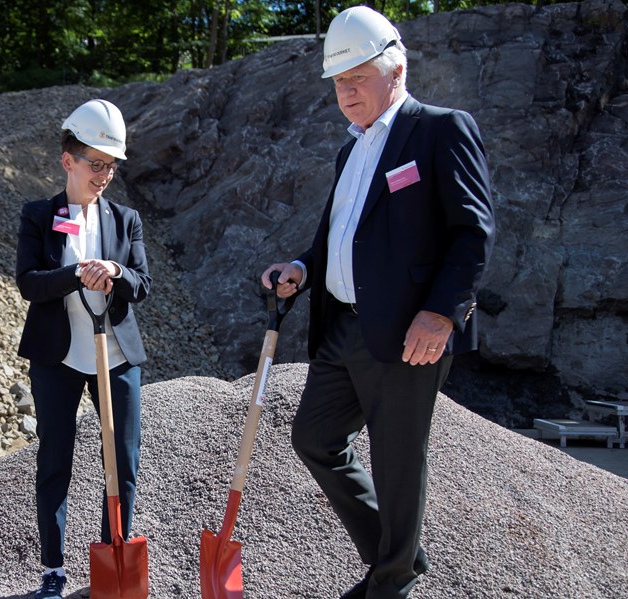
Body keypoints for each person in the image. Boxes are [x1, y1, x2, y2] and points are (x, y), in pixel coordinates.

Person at [260, 6, 496, 598]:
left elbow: (473, 232)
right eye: (339, 82)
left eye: (357, 77)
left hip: (409, 331)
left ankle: (389, 583)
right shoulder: (352, 151)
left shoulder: (441, 130)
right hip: (343, 327)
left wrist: (442, 312)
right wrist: (302, 268)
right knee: (313, 438)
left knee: (396, 462)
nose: (346, 92)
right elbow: (339, 236)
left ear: (397, 67)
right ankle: (399, 555)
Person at [15, 99, 151, 599]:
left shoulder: (125, 219)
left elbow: (142, 282)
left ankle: (114, 552)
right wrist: (74, 274)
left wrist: (114, 273)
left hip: (116, 354)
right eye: (96, 163)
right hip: (58, 356)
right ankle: (53, 568)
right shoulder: (38, 215)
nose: (105, 175)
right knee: (55, 458)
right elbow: (28, 283)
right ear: (67, 160)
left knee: (123, 458)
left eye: (111, 165)